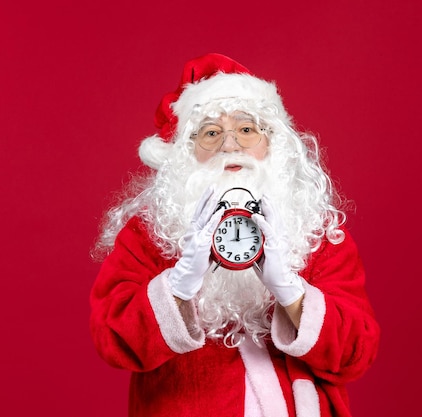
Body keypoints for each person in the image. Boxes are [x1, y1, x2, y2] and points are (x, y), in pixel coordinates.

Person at [89, 53, 380, 417]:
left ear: (273, 142)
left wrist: (291, 293)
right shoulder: (148, 234)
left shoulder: (315, 231)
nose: (230, 145)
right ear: (185, 152)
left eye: (247, 129)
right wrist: (178, 287)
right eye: (211, 133)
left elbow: (357, 353)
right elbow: (114, 341)